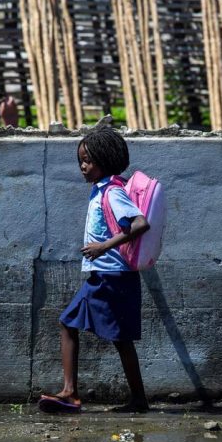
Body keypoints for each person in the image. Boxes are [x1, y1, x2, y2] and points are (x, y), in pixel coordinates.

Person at [39, 128, 151, 414]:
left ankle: (70, 393)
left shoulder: (113, 192)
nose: (83, 167)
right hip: (107, 276)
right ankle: (137, 400)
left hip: (110, 276)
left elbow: (139, 224)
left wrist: (103, 246)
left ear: (105, 158)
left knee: (69, 324)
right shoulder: (103, 189)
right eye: (80, 161)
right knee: (118, 338)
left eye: (88, 160)